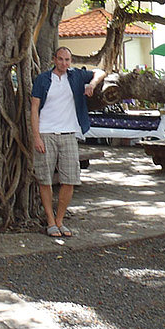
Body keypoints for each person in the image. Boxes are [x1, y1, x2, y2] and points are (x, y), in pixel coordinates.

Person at [31, 46, 105, 238]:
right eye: (61, 59)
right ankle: (50, 221)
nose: (64, 63)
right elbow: (34, 108)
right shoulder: (43, 79)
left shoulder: (76, 76)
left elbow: (100, 72)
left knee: (70, 179)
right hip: (46, 133)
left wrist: (91, 85)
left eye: (67, 60)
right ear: (54, 59)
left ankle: (60, 220)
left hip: (69, 133)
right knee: (45, 179)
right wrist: (36, 136)